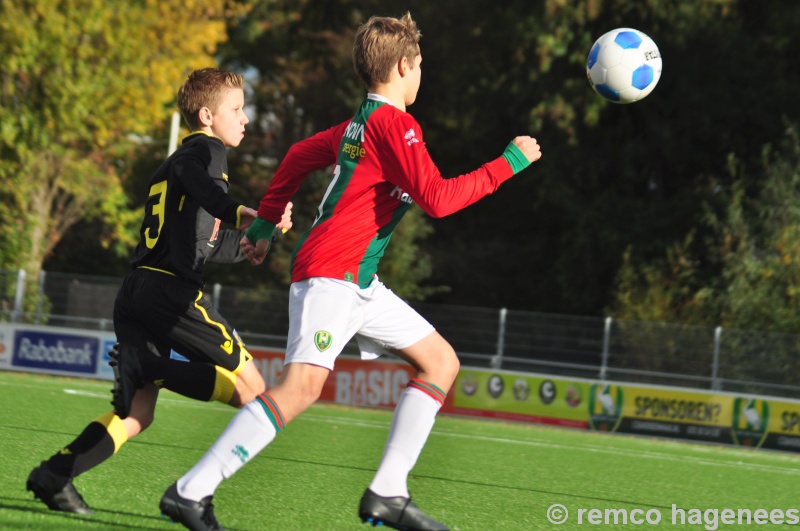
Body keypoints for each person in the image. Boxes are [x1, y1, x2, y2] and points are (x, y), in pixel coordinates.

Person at [158, 13, 541, 531]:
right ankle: (191, 490)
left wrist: (267, 225)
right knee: (298, 390)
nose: (422, 74)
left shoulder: (361, 122)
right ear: (405, 65)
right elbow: (439, 200)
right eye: (421, 64)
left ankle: (388, 491)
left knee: (440, 364)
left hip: (356, 281)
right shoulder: (392, 123)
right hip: (330, 276)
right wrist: (508, 163)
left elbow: (295, 155)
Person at [25, 67, 292, 515]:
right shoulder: (205, 151)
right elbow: (201, 184)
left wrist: (252, 240)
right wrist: (238, 210)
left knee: (137, 414)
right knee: (254, 392)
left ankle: (54, 474)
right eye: (238, 109)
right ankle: (151, 369)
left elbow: (200, 244)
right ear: (207, 115)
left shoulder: (176, 164)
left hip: (137, 292)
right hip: (171, 295)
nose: (245, 118)